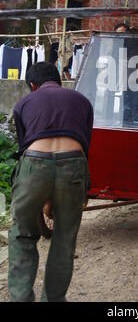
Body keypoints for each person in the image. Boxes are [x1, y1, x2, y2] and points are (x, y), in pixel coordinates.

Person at [9, 62, 93, 302]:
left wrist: (44, 196)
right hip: (74, 163)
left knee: (22, 234)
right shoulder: (82, 101)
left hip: (34, 166)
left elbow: (25, 149)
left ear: (33, 85)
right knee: (64, 238)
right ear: (59, 80)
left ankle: (21, 298)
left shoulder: (24, 103)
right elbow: (86, 147)